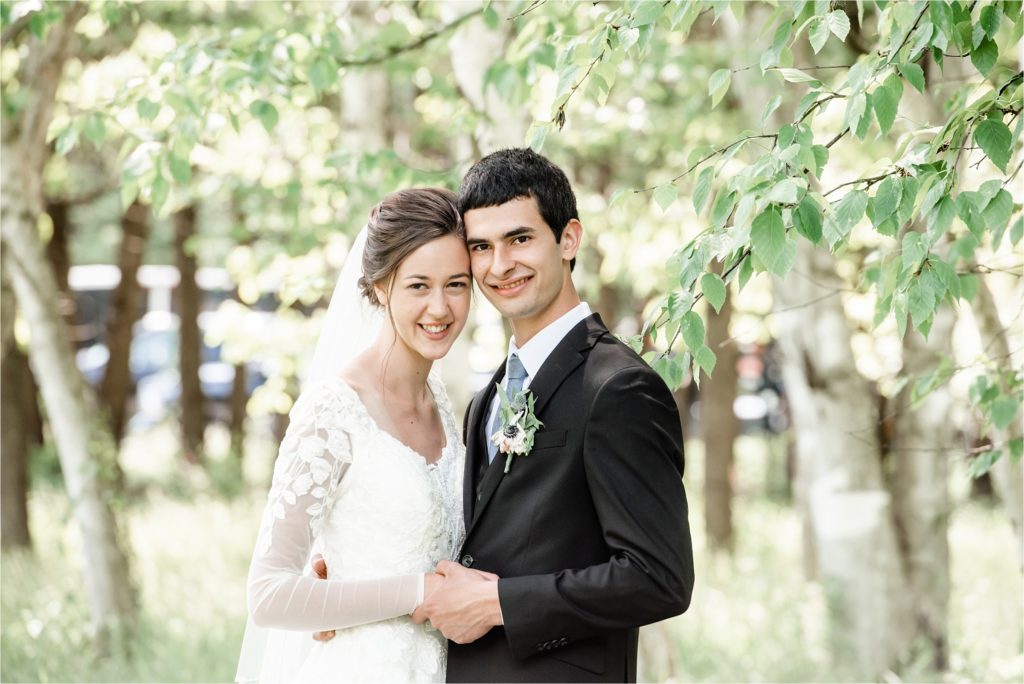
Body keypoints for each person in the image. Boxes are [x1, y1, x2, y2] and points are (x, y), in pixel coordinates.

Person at [412, 148, 695, 682]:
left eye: (519, 239)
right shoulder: (486, 399)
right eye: (481, 247)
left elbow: (660, 577)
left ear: (568, 239)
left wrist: (500, 604)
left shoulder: (618, 387)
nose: (500, 265)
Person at [235, 187, 490, 683]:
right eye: (418, 286)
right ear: (379, 287)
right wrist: (418, 592)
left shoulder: (440, 401)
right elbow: (268, 594)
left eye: (456, 285)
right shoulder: (333, 410)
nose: (440, 307)